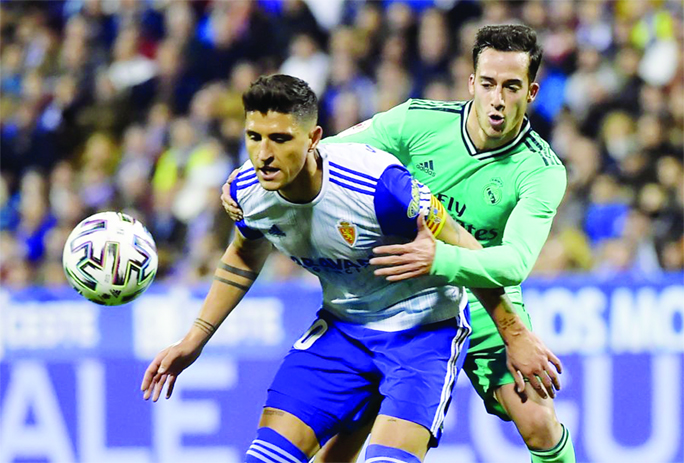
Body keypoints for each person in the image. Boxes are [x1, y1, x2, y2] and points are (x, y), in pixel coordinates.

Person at [143, 74, 560, 463]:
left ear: (314, 140)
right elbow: (243, 255)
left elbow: (465, 247)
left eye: (280, 139)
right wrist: (194, 340)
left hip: (423, 334)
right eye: (254, 138)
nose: (264, 154)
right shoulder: (247, 191)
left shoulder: (381, 187)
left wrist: (515, 336)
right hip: (343, 331)